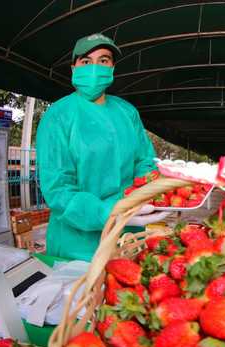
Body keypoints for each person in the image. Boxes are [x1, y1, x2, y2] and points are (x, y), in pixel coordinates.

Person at [36, 33, 169, 261]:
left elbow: (145, 162)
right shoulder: (58, 115)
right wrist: (107, 213)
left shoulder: (127, 112)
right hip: (77, 246)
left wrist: (149, 196)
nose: (95, 67)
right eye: (86, 62)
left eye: (104, 60)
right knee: (83, 295)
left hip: (127, 236)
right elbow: (58, 189)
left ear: (112, 68)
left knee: (126, 292)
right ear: (73, 68)